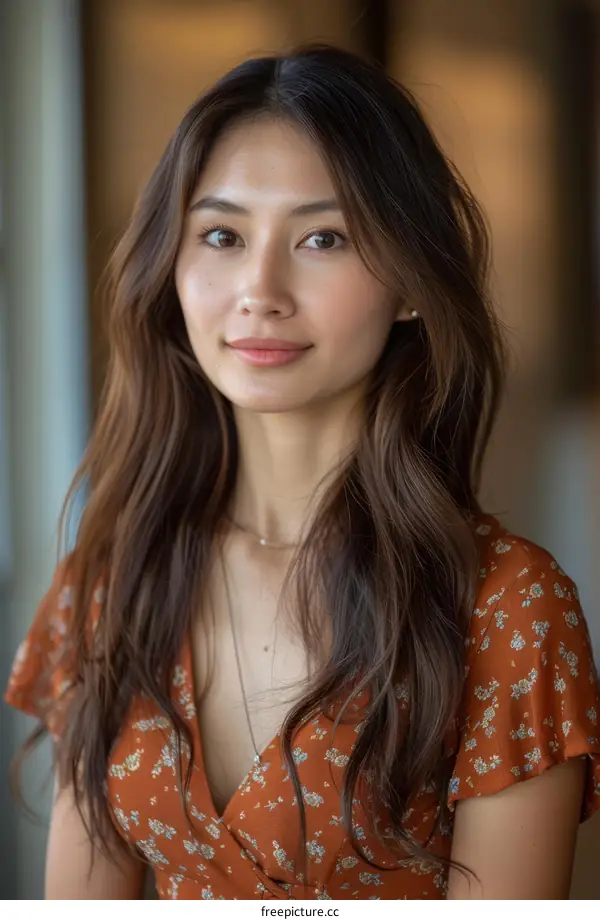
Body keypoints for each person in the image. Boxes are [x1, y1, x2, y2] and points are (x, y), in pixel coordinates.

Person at [5, 44, 600, 901]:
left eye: (324, 237)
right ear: (172, 267)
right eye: (222, 235)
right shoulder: (109, 582)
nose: (260, 288)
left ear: (409, 284)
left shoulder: (508, 608)